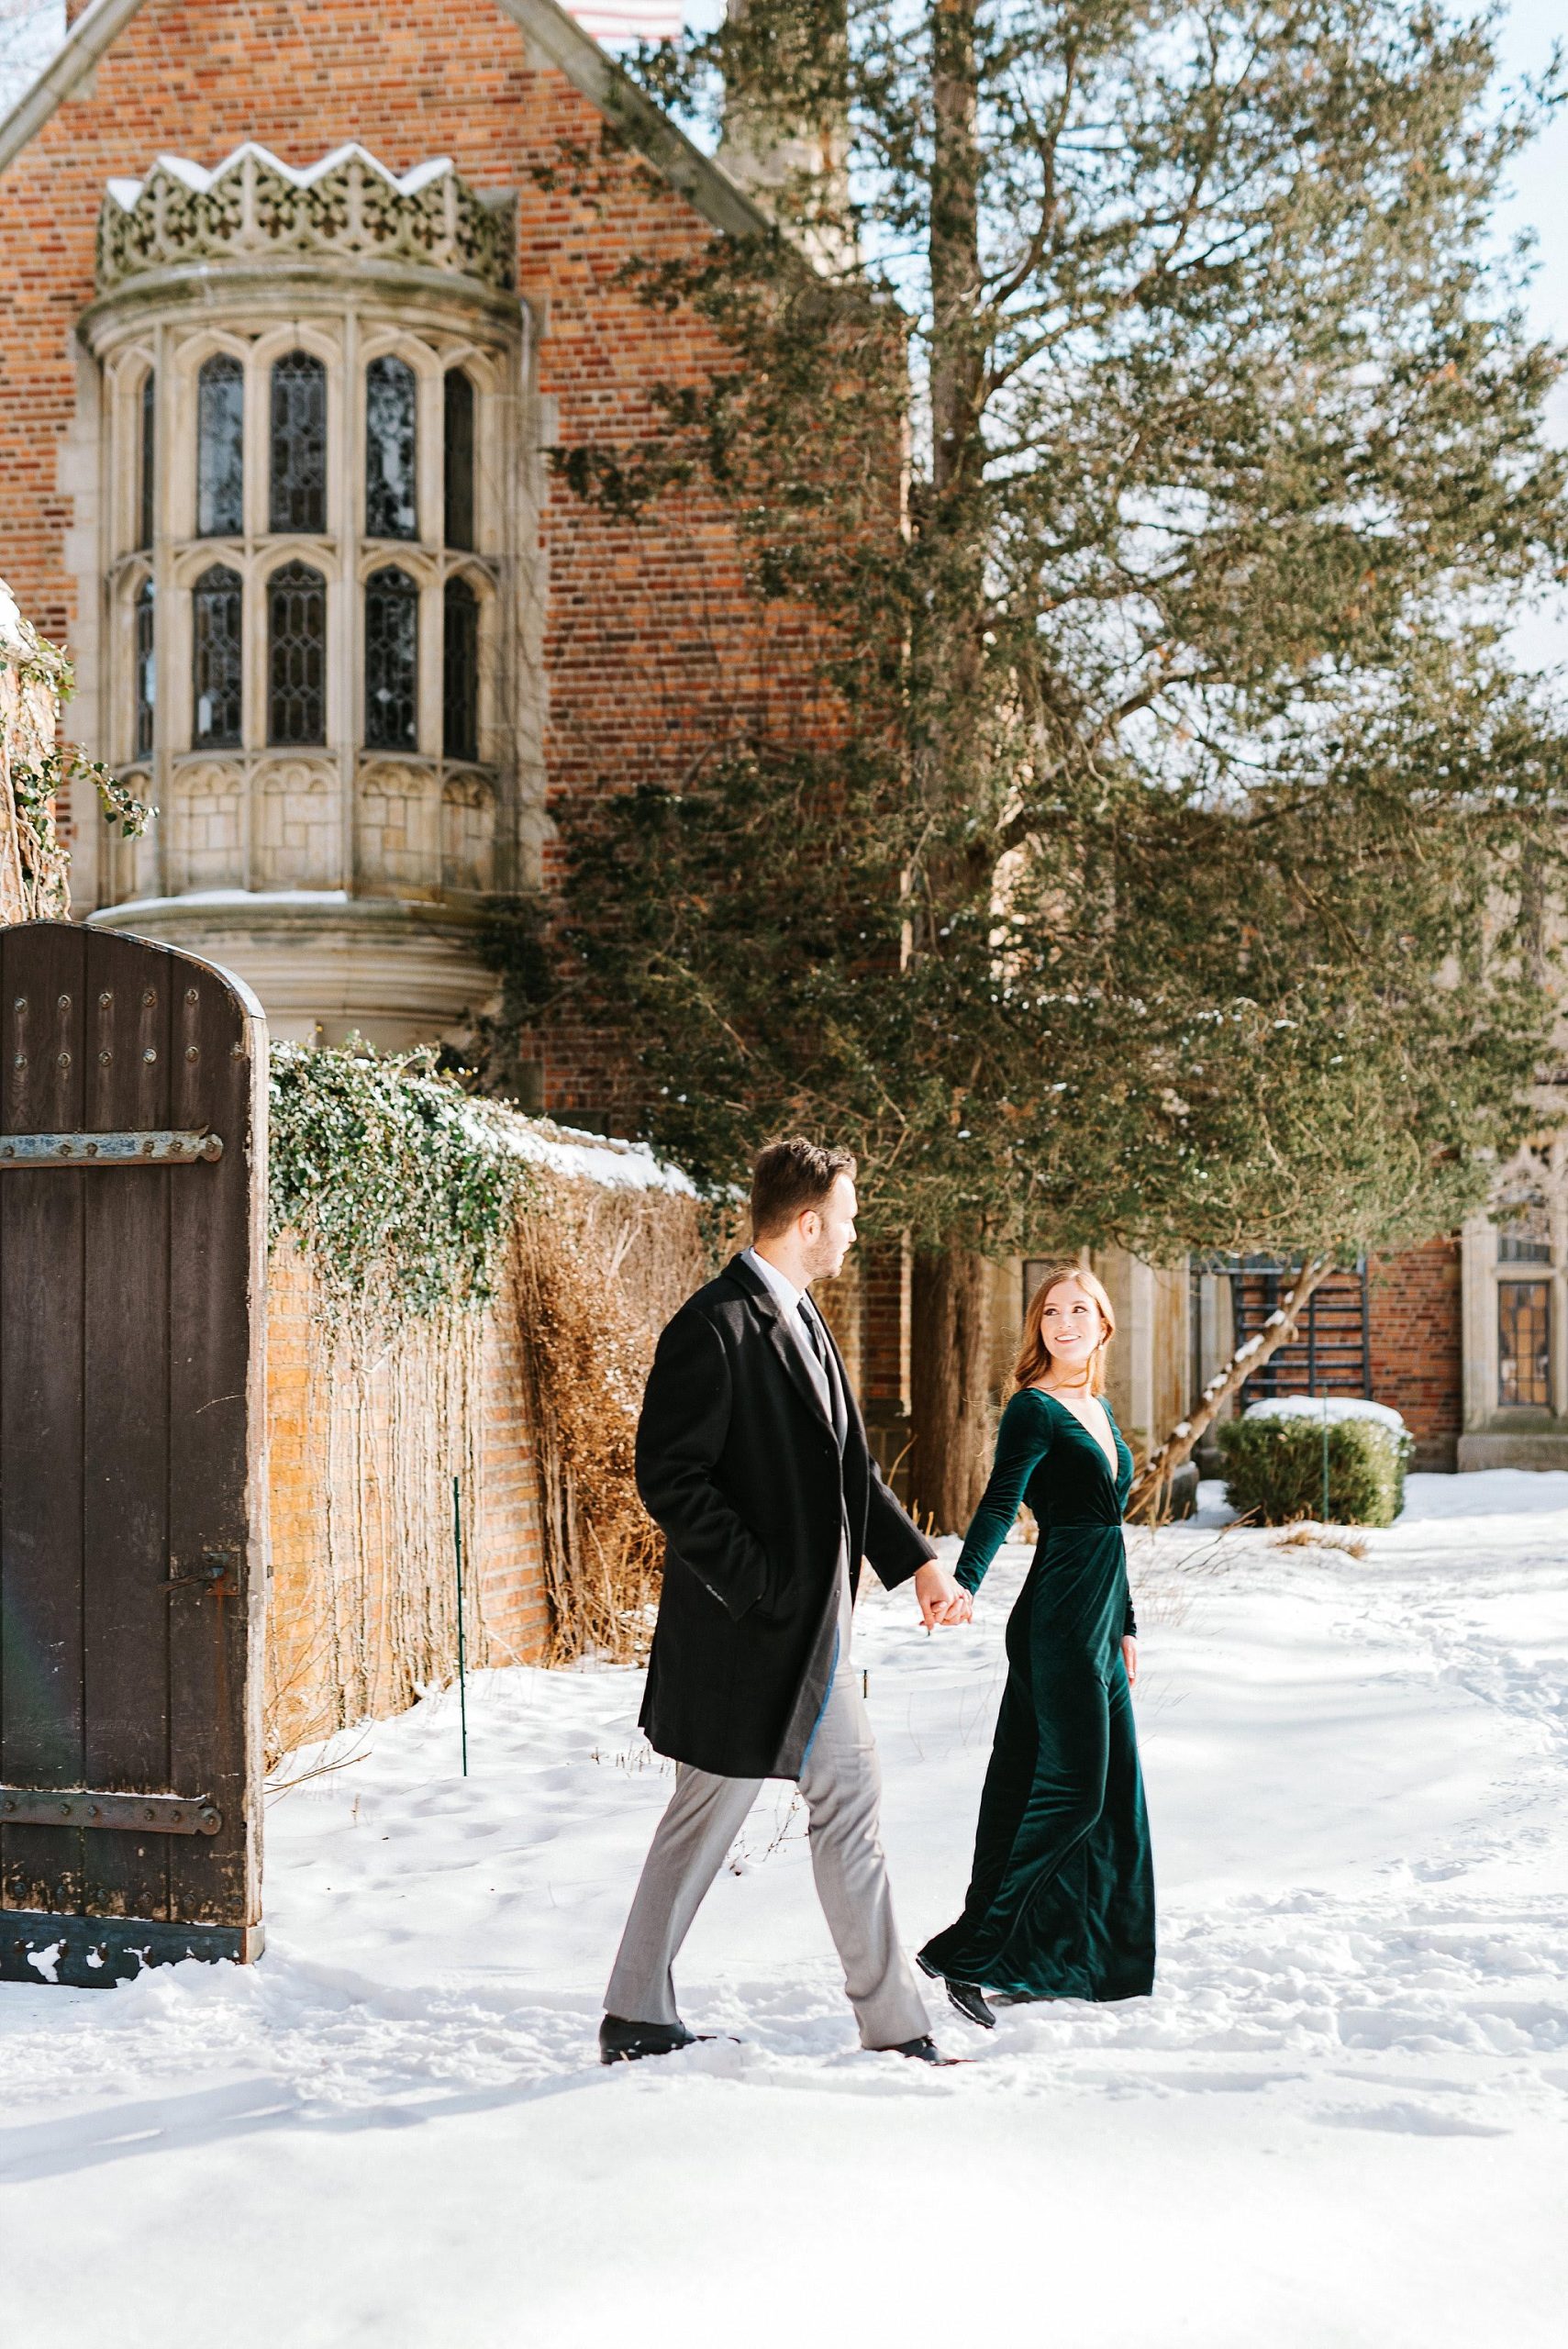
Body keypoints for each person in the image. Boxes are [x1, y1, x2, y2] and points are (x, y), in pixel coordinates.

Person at [601, 1137, 973, 2066]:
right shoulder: (713, 1324)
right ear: (806, 1221)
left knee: (850, 1803)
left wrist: (914, 1561)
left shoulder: (804, 1315)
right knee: (703, 1820)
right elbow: (669, 1476)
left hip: (820, 1640)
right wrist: (759, 1585)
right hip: (746, 1642)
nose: (853, 1234)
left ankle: (894, 2026)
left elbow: (848, 1465)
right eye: (846, 1218)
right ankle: (635, 2014)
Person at [917, 1264, 1155, 2028]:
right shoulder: (1034, 1410)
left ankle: (1054, 1959)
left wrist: (1124, 1626)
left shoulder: (1098, 1409)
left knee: (1097, 1794)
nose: (1063, 1323)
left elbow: (1109, 1533)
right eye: (1050, 1311)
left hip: (1096, 1620)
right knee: (1072, 1790)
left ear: (1103, 1324)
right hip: (1054, 1620)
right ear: (1037, 1326)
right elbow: (998, 1503)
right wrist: (963, 1584)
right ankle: (968, 1952)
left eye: (1078, 1310)